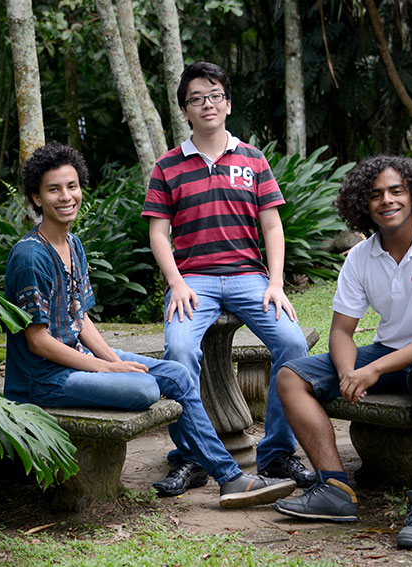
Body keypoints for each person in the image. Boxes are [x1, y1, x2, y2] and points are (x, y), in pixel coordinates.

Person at [3, 142, 297, 509]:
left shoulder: (72, 244)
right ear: (36, 196)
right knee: (143, 389)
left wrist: (112, 358)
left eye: (72, 186)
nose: (66, 196)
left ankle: (230, 478)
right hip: (42, 379)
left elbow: (80, 319)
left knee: (177, 373)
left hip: (73, 360)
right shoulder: (30, 255)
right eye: (54, 189)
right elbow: (38, 342)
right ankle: (230, 476)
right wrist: (108, 367)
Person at [271, 155, 412, 549]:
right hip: (390, 352)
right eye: (375, 195)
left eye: (396, 191)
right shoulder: (360, 257)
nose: (387, 201)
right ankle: (334, 489)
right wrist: (350, 370)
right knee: (290, 377)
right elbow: (342, 330)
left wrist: (374, 369)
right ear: (363, 205)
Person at [142, 61, 314, 498]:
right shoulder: (168, 166)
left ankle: (276, 452)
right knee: (179, 350)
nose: (207, 104)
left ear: (228, 103)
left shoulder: (253, 159)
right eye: (196, 98)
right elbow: (158, 233)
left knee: (293, 344)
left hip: (248, 278)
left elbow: (272, 227)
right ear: (185, 111)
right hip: (194, 280)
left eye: (215, 95)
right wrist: (177, 282)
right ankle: (192, 458)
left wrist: (275, 282)